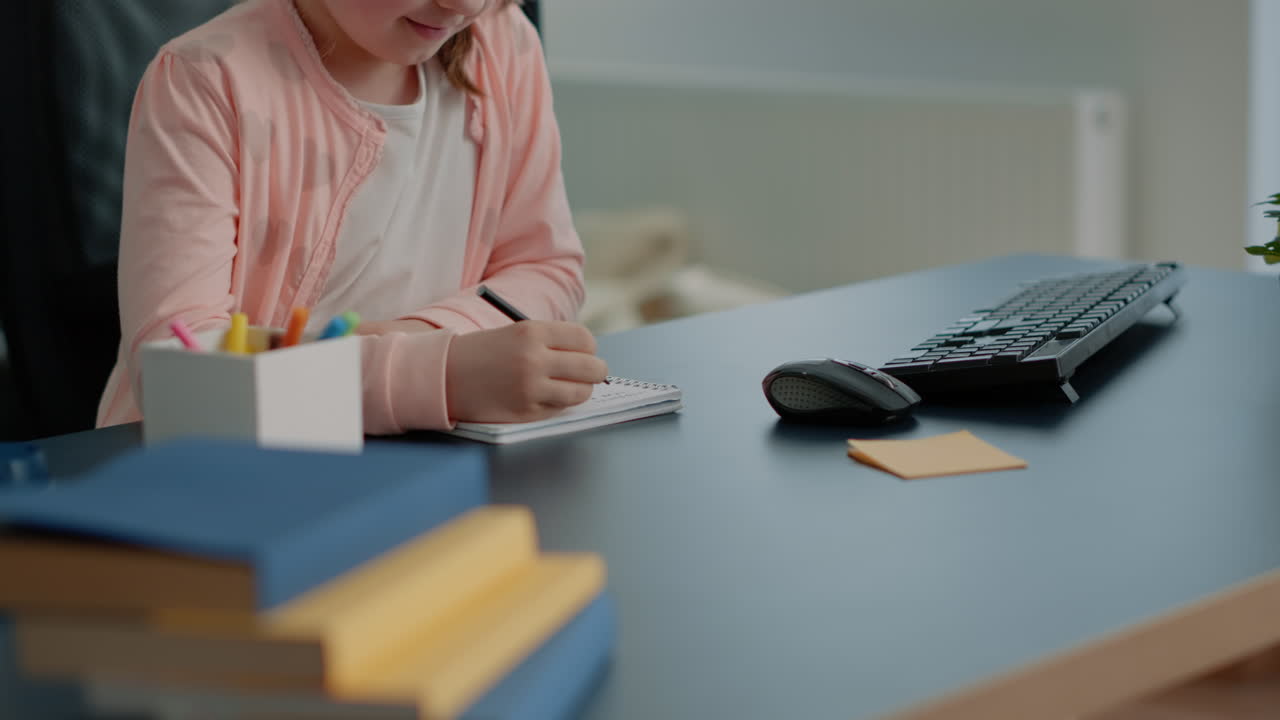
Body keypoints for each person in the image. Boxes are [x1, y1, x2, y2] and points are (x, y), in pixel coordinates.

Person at [96, 0, 608, 435]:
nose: (464, 5)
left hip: (412, 461)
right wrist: (439, 375)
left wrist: (413, 340)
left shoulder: (502, 44)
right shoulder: (204, 80)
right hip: (204, 475)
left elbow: (547, 268)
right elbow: (176, 371)